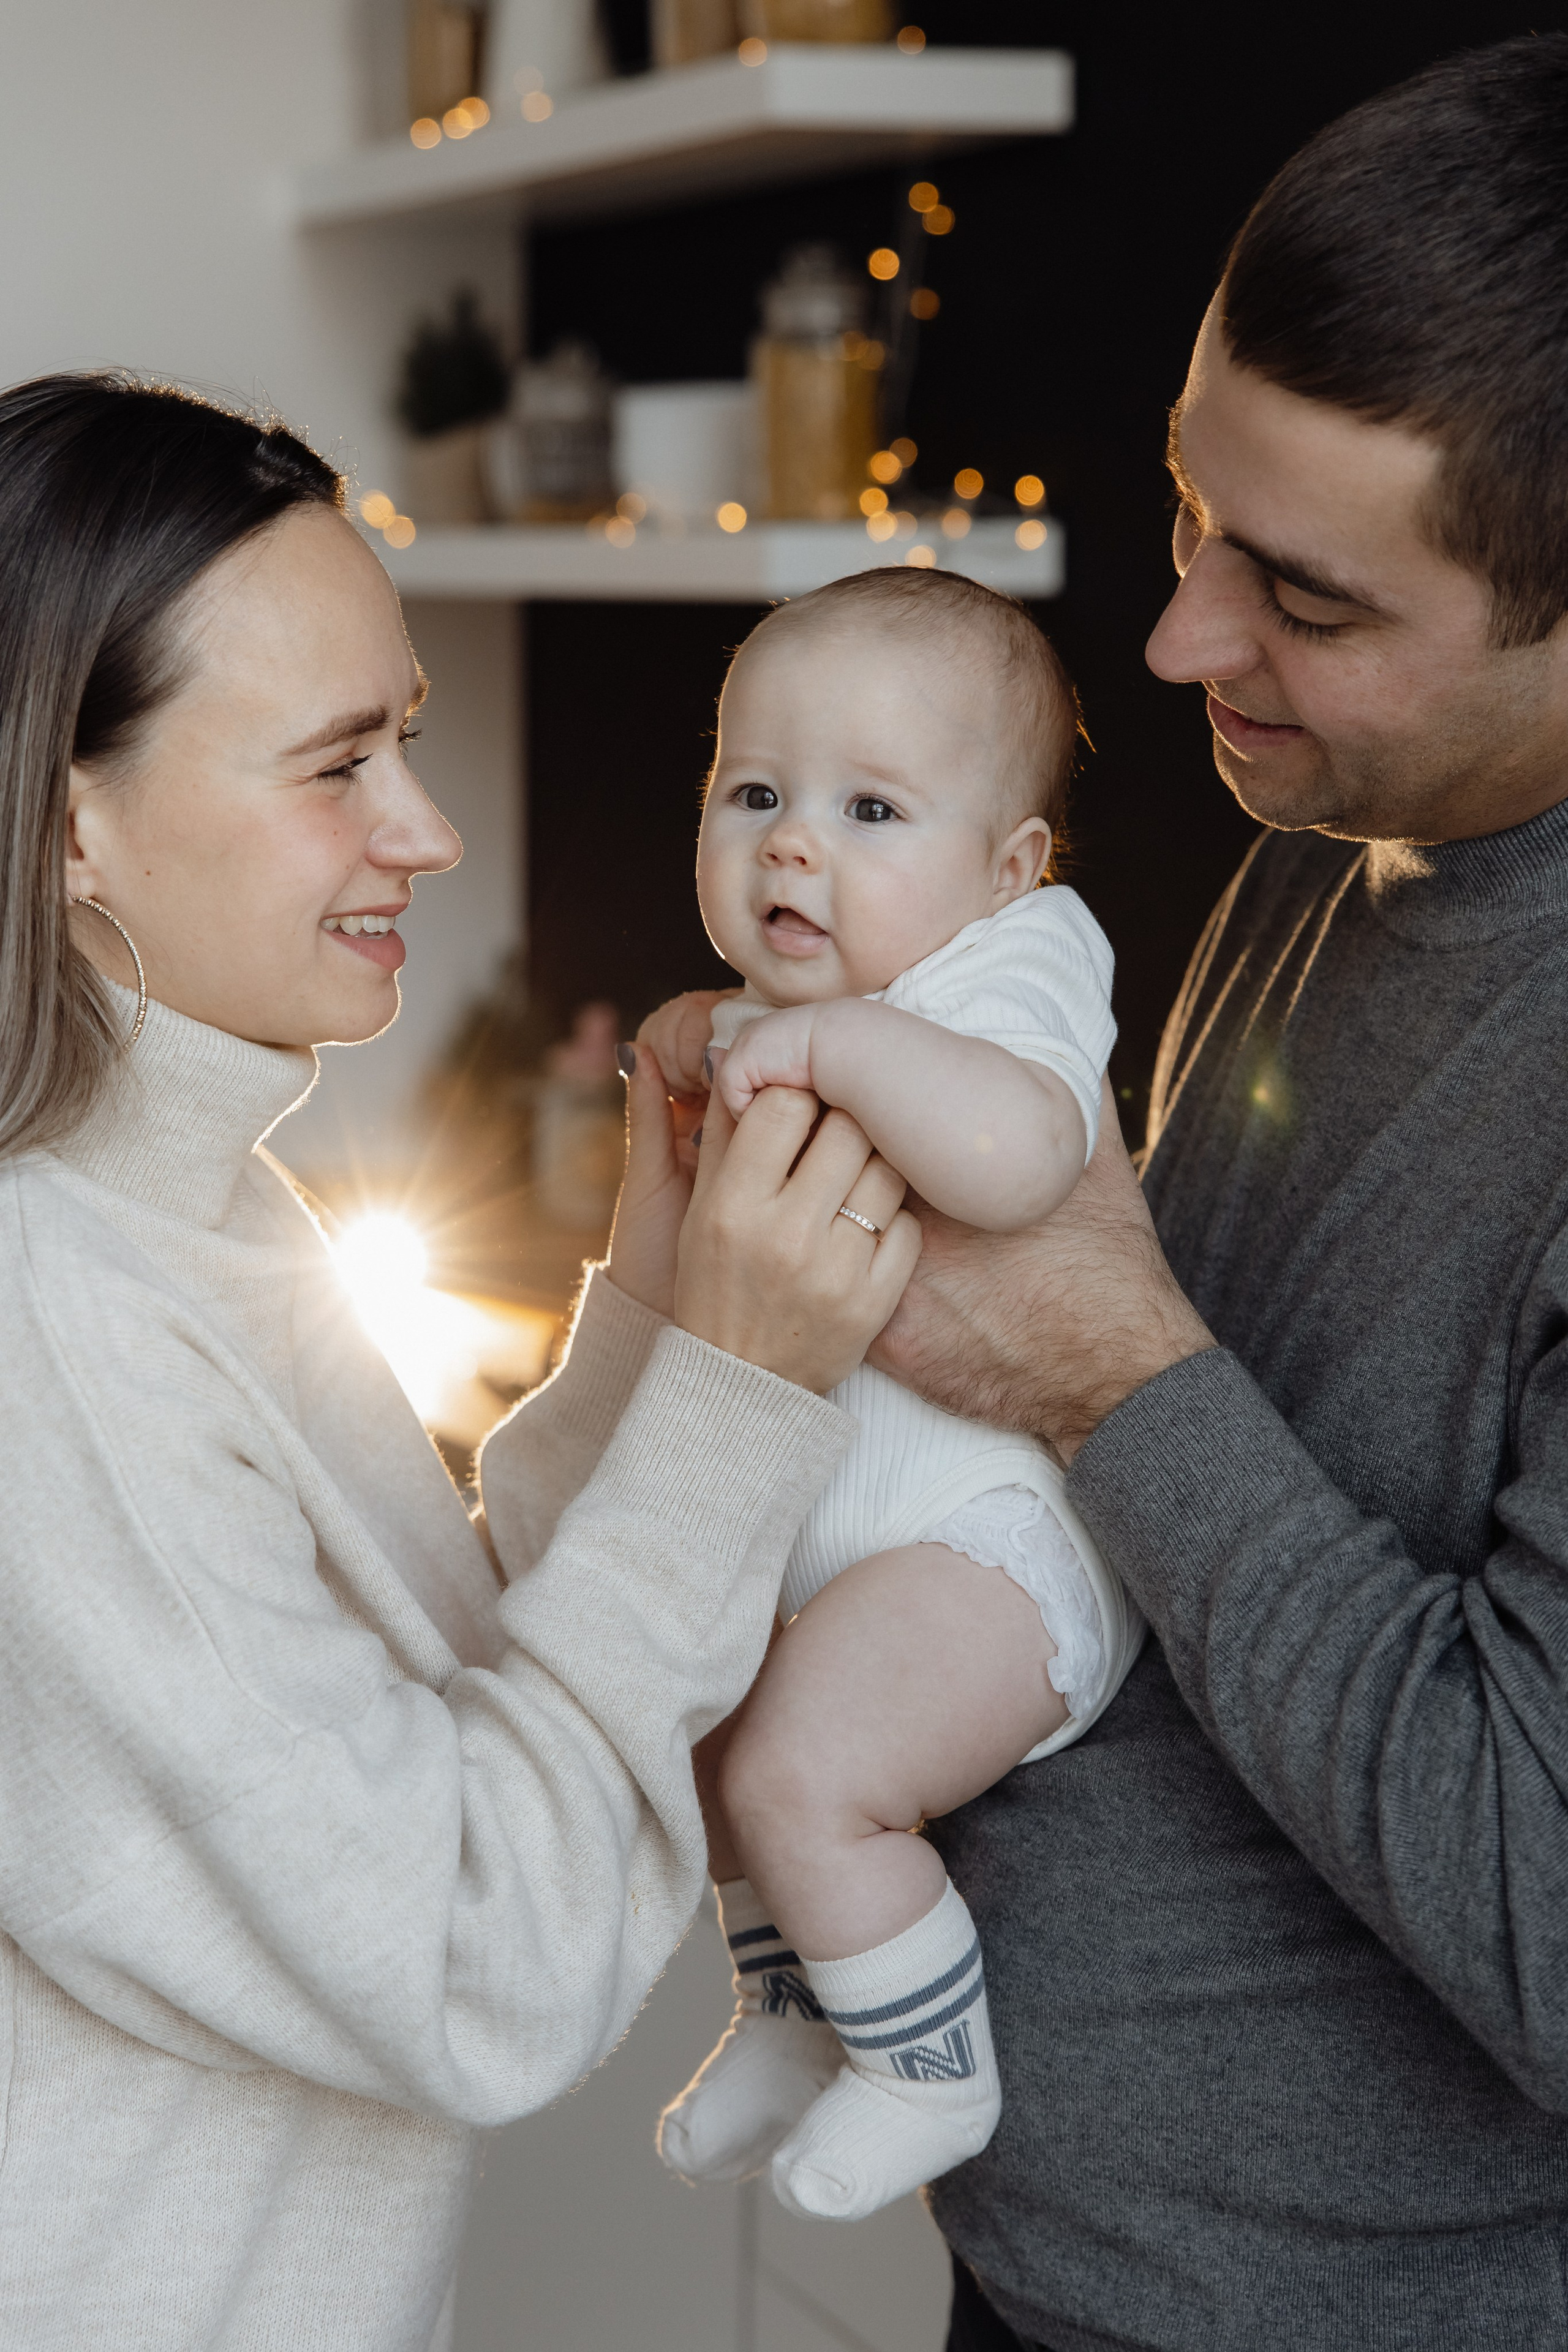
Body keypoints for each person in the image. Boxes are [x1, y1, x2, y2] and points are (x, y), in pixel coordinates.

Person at [0, 372, 920, 2351]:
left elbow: (427, 1684)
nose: (423, 830)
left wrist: (662, 1318)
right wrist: (739, 1408)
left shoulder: (193, 1199)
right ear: (73, 822)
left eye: (404, 738)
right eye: (338, 764)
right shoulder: (45, 1326)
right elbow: (475, 1955)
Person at [854, 37, 1568, 2352]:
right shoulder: (1339, 844)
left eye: (1308, 600)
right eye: (1188, 515)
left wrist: (1099, 1358)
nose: (1172, 646)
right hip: (1050, 2282)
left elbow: (1541, 1930)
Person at [646, 570, 1145, 2223]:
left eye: (870, 807)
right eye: (756, 792)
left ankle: (930, 2072)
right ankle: (796, 2015)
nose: (797, 844)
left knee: (802, 1768)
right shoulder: (805, 1006)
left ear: (1007, 866)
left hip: (998, 1553)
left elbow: (1015, 1157)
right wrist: (722, 1037)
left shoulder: (1009, 969)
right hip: (854, 1553)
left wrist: (830, 1050)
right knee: (716, 1760)